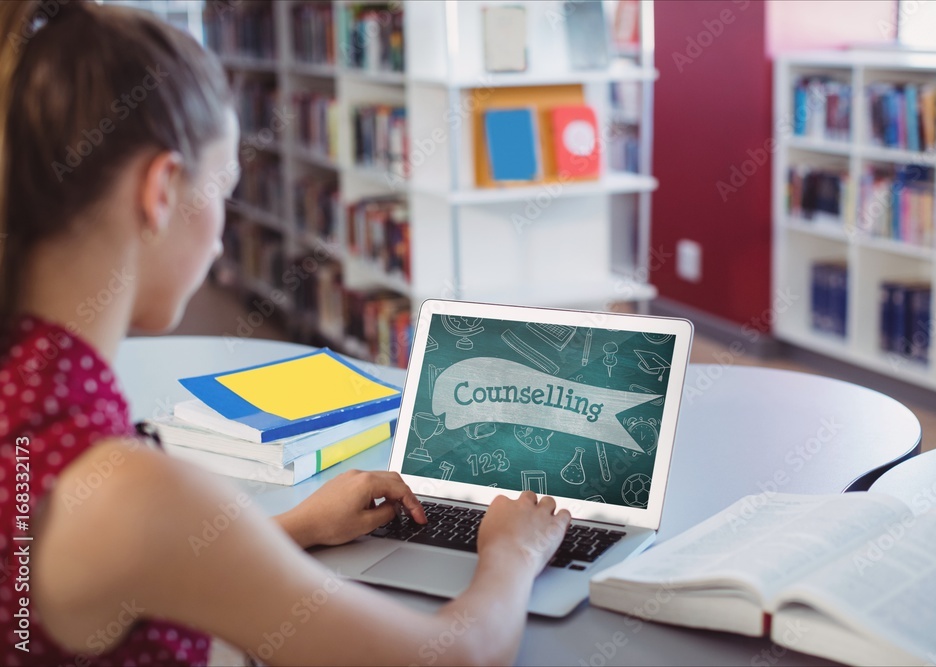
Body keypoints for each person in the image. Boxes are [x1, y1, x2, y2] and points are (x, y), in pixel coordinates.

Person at [0, 2, 571, 665]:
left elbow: (124, 560)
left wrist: (289, 528)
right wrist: (514, 551)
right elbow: (452, 656)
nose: (219, 240)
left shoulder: (37, 414)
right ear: (160, 191)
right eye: (224, 192)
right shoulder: (126, 490)